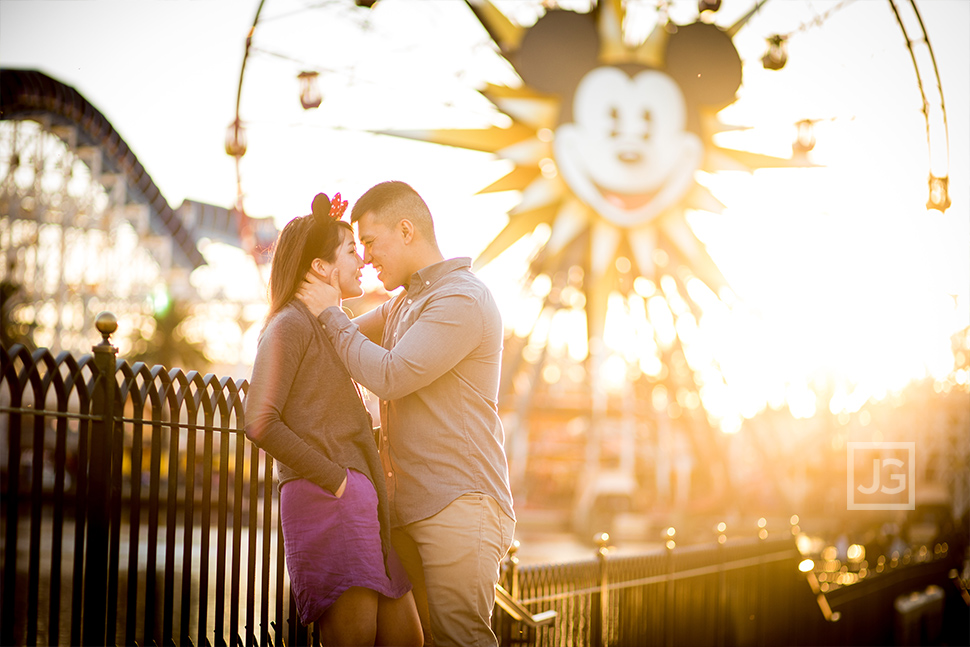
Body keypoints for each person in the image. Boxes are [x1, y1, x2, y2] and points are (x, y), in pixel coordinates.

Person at [297, 181, 515, 647]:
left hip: (459, 504)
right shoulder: (406, 302)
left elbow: (390, 374)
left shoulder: (460, 300)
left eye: (371, 242)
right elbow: (332, 349)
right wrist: (309, 292)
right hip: (406, 511)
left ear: (406, 228)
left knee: (460, 640)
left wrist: (329, 311)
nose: (368, 256)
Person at [244, 192, 423, 647]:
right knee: (353, 637)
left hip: (363, 506)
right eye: (350, 251)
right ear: (321, 267)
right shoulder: (288, 325)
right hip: (329, 501)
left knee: (407, 638)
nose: (361, 260)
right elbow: (260, 421)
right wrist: (337, 480)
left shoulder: (332, 326)